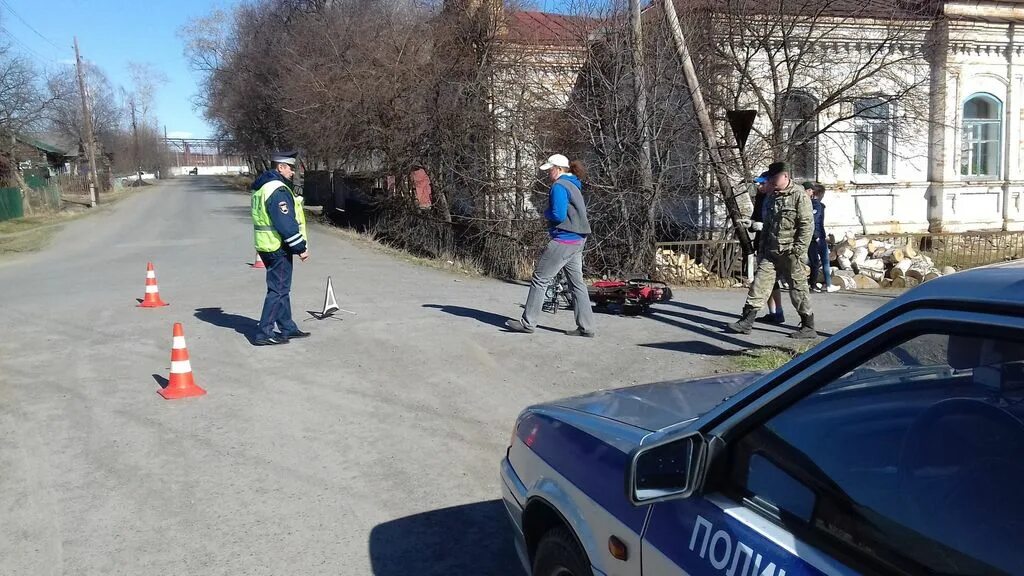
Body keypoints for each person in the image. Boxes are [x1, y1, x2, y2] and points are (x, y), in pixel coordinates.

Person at [506, 153, 595, 337]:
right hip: (578, 239)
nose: (548, 174)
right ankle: (586, 327)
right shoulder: (574, 185)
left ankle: (528, 323)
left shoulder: (559, 186)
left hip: (564, 239)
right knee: (577, 283)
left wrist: (545, 213)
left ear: (559, 169)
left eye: (550, 169)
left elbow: (558, 214)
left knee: (540, 278)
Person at [727, 161, 816, 339]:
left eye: (774, 177)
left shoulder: (799, 196)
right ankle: (746, 321)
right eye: (771, 178)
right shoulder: (771, 197)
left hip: (791, 252)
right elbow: (767, 225)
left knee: (798, 289)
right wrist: (756, 231)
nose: (772, 181)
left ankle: (808, 326)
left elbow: (807, 225)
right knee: (759, 285)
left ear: (785, 176)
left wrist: (799, 249)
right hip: (771, 251)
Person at [251, 152, 310, 346]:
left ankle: (287, 327)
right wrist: (300, 247)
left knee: (281, 288)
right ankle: (264, 332)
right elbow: (285, 223)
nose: (293, 172)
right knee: (278, 290)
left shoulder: (261, 187)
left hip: (266, 243)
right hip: (278, 245)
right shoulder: (278, 189)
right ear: (280, 167)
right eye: (290, 168)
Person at [749, 172, 786, 325]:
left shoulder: (777, 199)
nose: (759, 186)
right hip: (761, 243)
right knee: (768, 282)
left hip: (774, 245)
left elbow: (782, 224)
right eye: (758, 183)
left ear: (770, 183)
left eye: (762, 183)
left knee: (770, 280)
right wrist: (750, 225)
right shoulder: (760, 198)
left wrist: (764, 226)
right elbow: (755, 218)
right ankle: (773, 313)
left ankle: (779, 312)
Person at [807, 182, 839, 293]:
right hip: (818, 236)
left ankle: (823, 283)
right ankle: (821, 284)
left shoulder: (812, 204)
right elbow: (815, 221)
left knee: (819, 261)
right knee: (820, 261)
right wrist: (816, 235)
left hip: (817, 235)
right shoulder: (816, 205)